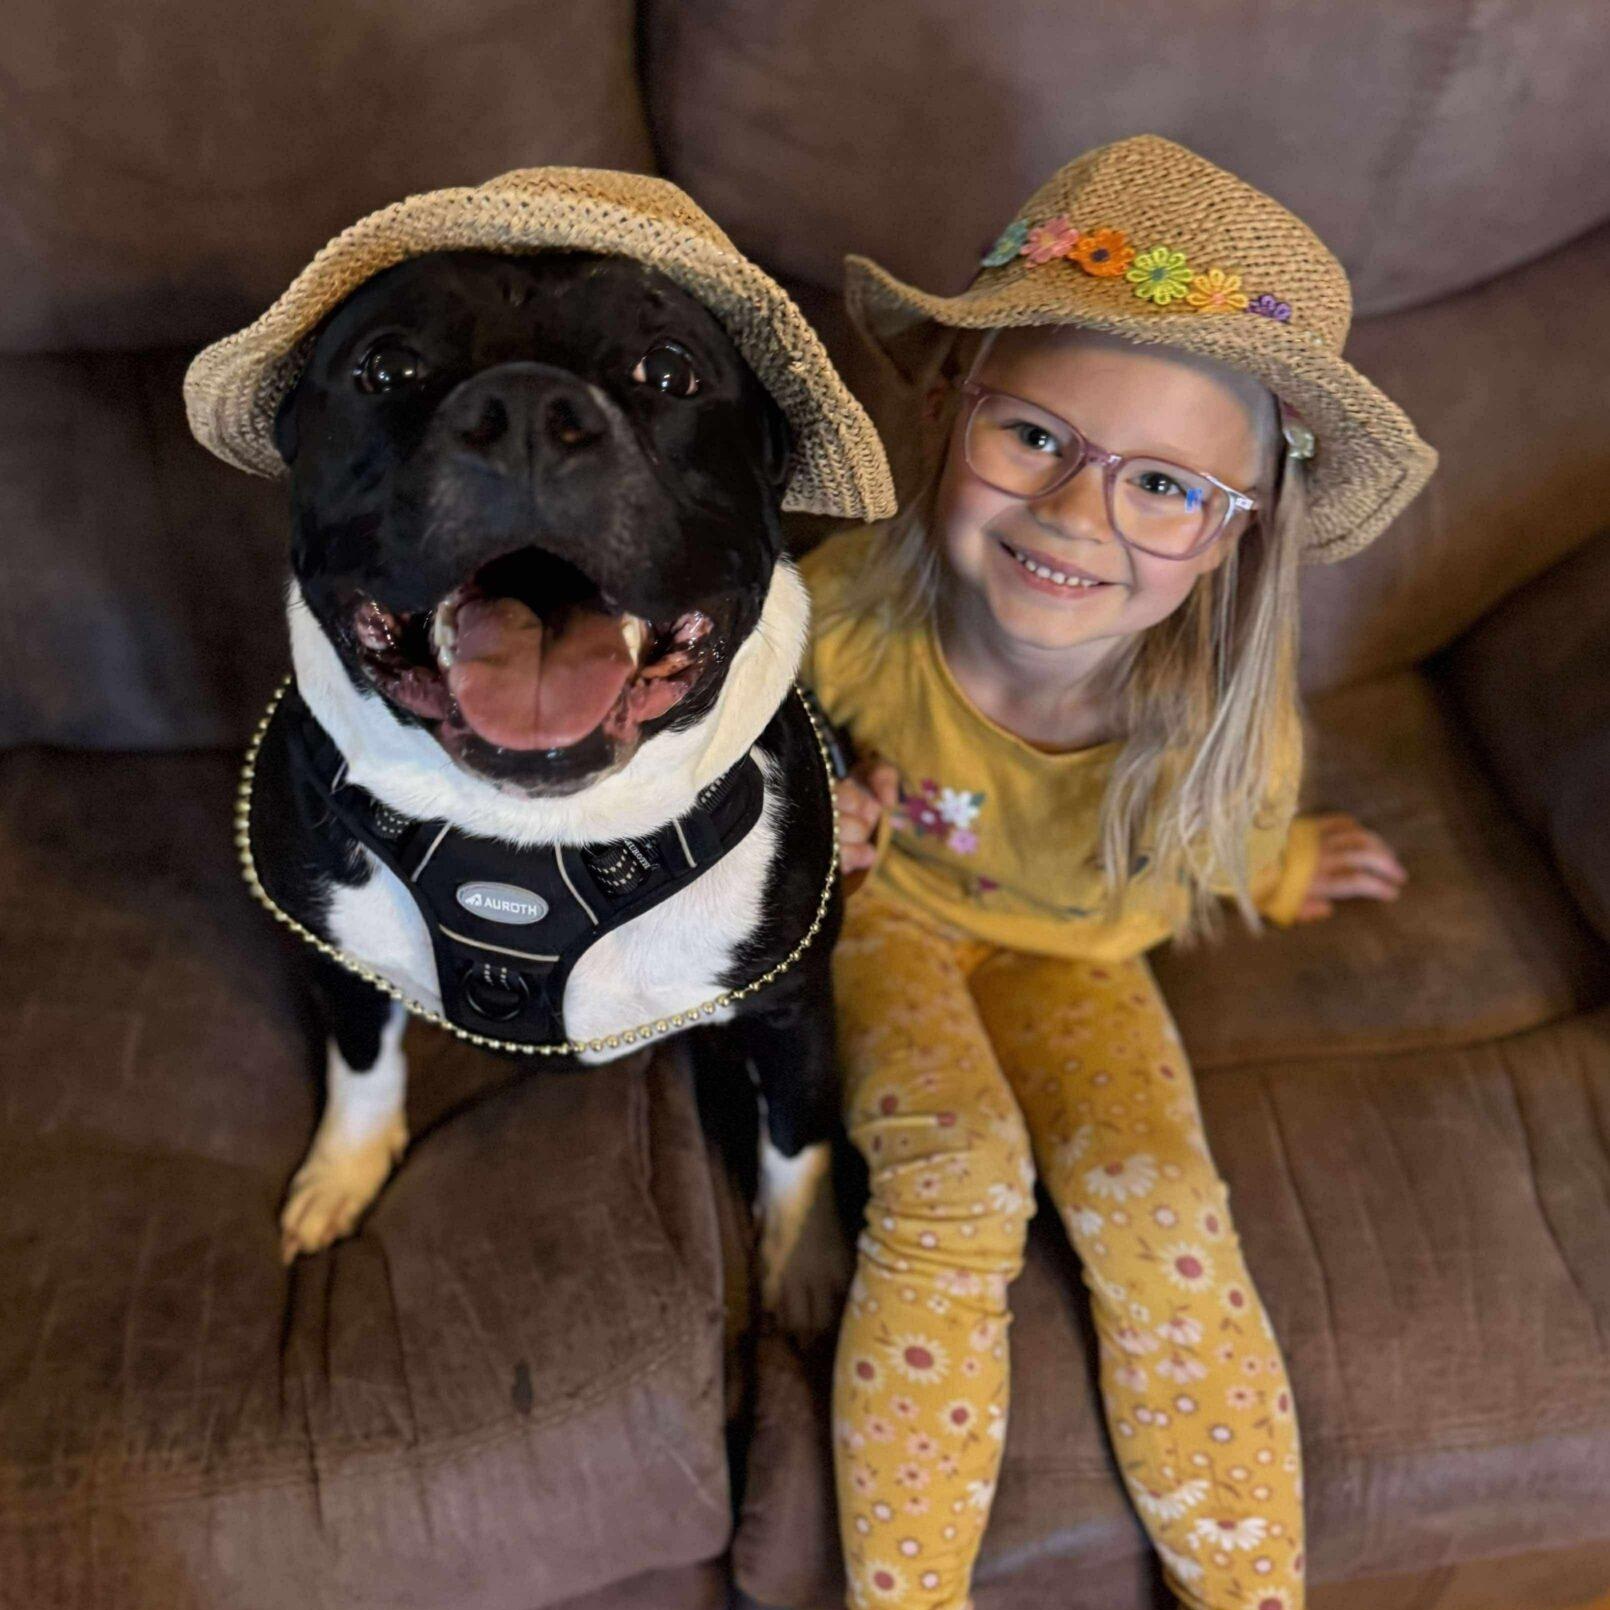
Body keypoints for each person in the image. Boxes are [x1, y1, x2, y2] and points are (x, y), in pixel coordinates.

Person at [801, 135, 1436, 1610]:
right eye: (1034, 437)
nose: (1078, 515)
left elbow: (1222, 835)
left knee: (1155, 1200)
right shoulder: (842, 616)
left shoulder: (1226, 726)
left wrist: (1275, 874)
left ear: (1230, 538)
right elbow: (734, 742)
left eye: (1160, 483)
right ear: (952, 414)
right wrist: (810, 806)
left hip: (1083, 955)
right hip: (890, 915)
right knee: (955, 1179)